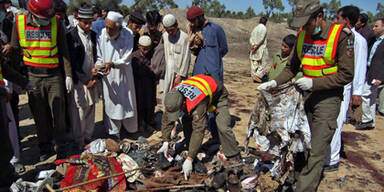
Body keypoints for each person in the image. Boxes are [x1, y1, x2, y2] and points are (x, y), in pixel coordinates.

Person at [258, 0, 354, 191]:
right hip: (304, 97)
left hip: (328, 98)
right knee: (299, 142)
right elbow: (291, 68)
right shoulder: (302, 34)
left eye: (308, 22)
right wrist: (274, 82)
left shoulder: (340, 36)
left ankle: (304, 188)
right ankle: (294, 179)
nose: (305, 27)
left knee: (317, 148)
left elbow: (346, 74)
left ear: (319, 17)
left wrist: (314, 82)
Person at [9, 0, 73, 161]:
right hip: (33, 77)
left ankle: (61, 147)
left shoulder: (56, 22)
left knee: (58, 114)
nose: (47, 20)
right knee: (40, 115)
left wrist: (68, 75)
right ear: (33, 13)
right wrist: (18, 79)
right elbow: (15, 51)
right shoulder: (19, 22)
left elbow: (64, 50)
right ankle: (45, 147)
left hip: (54, 77)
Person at [157, 74, 240, 180]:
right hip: (200, 91)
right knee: (186, 120)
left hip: (218, 95)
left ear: (183, 103)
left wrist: (190, 159)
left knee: (223, 126)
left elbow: (199, 130)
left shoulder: (196, 103)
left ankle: (234, 155)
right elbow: (166, 118)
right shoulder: (173, 96)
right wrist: (165, 141)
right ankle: (190, 146)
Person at [325, 5, 367, 172]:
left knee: (336, 123)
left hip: (345, 87)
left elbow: (360, 67)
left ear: (346, 20)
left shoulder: (358, 41)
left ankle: (332, 159)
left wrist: (357, 92)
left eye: (338, 18)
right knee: (329, 122)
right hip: (333, 84)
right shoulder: (338, 37)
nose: (335, 21)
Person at [93, 11, 137, 141]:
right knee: (111, 103)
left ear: (119, 28)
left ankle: (130, 130)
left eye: (110, 28)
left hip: (124, 75)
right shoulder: (101, 34)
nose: (107, 30)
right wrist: (99, 68)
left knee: (127, 101)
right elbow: (100, 57)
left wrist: (112, 64)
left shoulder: (128, 35)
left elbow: (127, 58)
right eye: (106, 26)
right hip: (109, 76)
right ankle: (113, 132)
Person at [66, 6, 98, 149]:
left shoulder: (93, 34)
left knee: (91, 107)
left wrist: (96, 74)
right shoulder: (71, 36)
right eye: (85, 22)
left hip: (92, 77)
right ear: (77, 19)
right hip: (80, 80)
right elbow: (72, 62)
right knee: (79, 109)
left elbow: (95, 55)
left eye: (90, 22)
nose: (88, 26)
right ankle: (79, 139)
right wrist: (85, 81)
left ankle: (88, 137)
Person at [187, 6, 228, 83]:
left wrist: (213, 58)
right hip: (198, 72)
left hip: (213, 74)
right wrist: (196, 45)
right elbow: (195, 53)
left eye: (193, 21)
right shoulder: (195, 31)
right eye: (190, 21)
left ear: (200, 17)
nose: (192, 24)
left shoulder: (216, 29)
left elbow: (224, 49)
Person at [356, 18, 384, 130]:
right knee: (372, 98)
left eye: (376, 26)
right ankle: (371, 121)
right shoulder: (375, 41)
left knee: (364, 94)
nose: (373, 28)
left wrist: (381, 77)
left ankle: (366, 119)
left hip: (376, 75)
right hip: (369, 72)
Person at [160, 14, 191, 104]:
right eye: (167, 30)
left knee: (178, 99)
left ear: (176, 26)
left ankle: (178, 118)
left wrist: (180, 75)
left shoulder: (184, 37)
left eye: (172, 30)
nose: (170, 33)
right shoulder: (165, 36)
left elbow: (186, 58)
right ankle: (166, 117)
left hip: (179, 74)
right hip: (167, 72)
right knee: (166, 97)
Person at [132, 35, 156, 132]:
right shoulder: (134, 56)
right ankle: (140, 123)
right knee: (139, 104)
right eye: (144, 48)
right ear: (139, 46)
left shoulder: (152, 55)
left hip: (149, 84)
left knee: (149, 104)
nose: (146, 51)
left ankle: (149, 123)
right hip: (138, 85)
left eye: (148, 49)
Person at [249, 16, 269, 83]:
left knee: (255, 62)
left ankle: (253, 75)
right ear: (265, 22)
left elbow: (251, 38)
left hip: (254, 47)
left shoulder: (255, 28)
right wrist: (256, 46)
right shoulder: (264, 28)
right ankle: (257, 75)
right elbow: (262, 38)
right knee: (264, 62)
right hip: (261, 47)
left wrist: (253, 45)